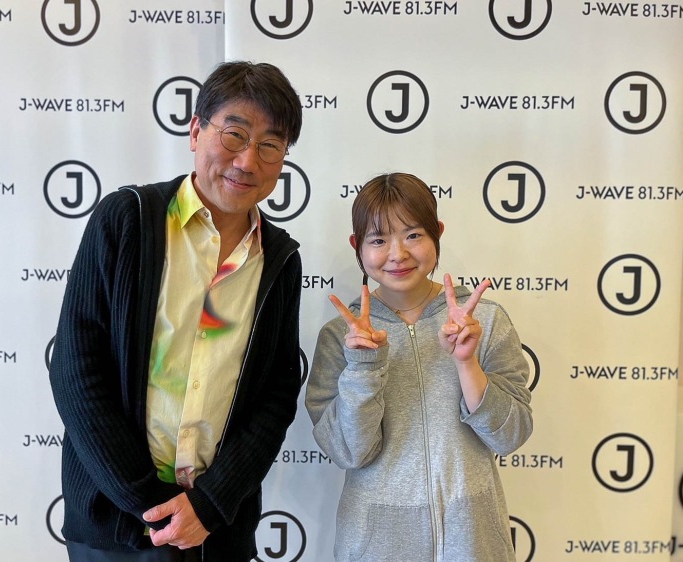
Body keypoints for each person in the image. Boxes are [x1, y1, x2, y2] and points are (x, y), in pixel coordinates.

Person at [49, 61, 303, 562]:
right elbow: (77, 370)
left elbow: (275, 396)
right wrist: (152, 504)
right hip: (117, 526)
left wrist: (208, 506)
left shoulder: (280, 259)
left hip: (214, 532)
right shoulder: (127, 220)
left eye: (270, 145)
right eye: (234, 134)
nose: (247, 160)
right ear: (195, 131)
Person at [305, 172, 533, 562]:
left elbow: (510, 435)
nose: (398, 254)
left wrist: (467, 363)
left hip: (473, 542)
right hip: (375, 548)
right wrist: (363, 366)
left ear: (437, 233)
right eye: (379, 240)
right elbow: (348, 452)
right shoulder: (342, 336)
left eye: (413, 235)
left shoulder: (484, 321)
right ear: (357, 246)